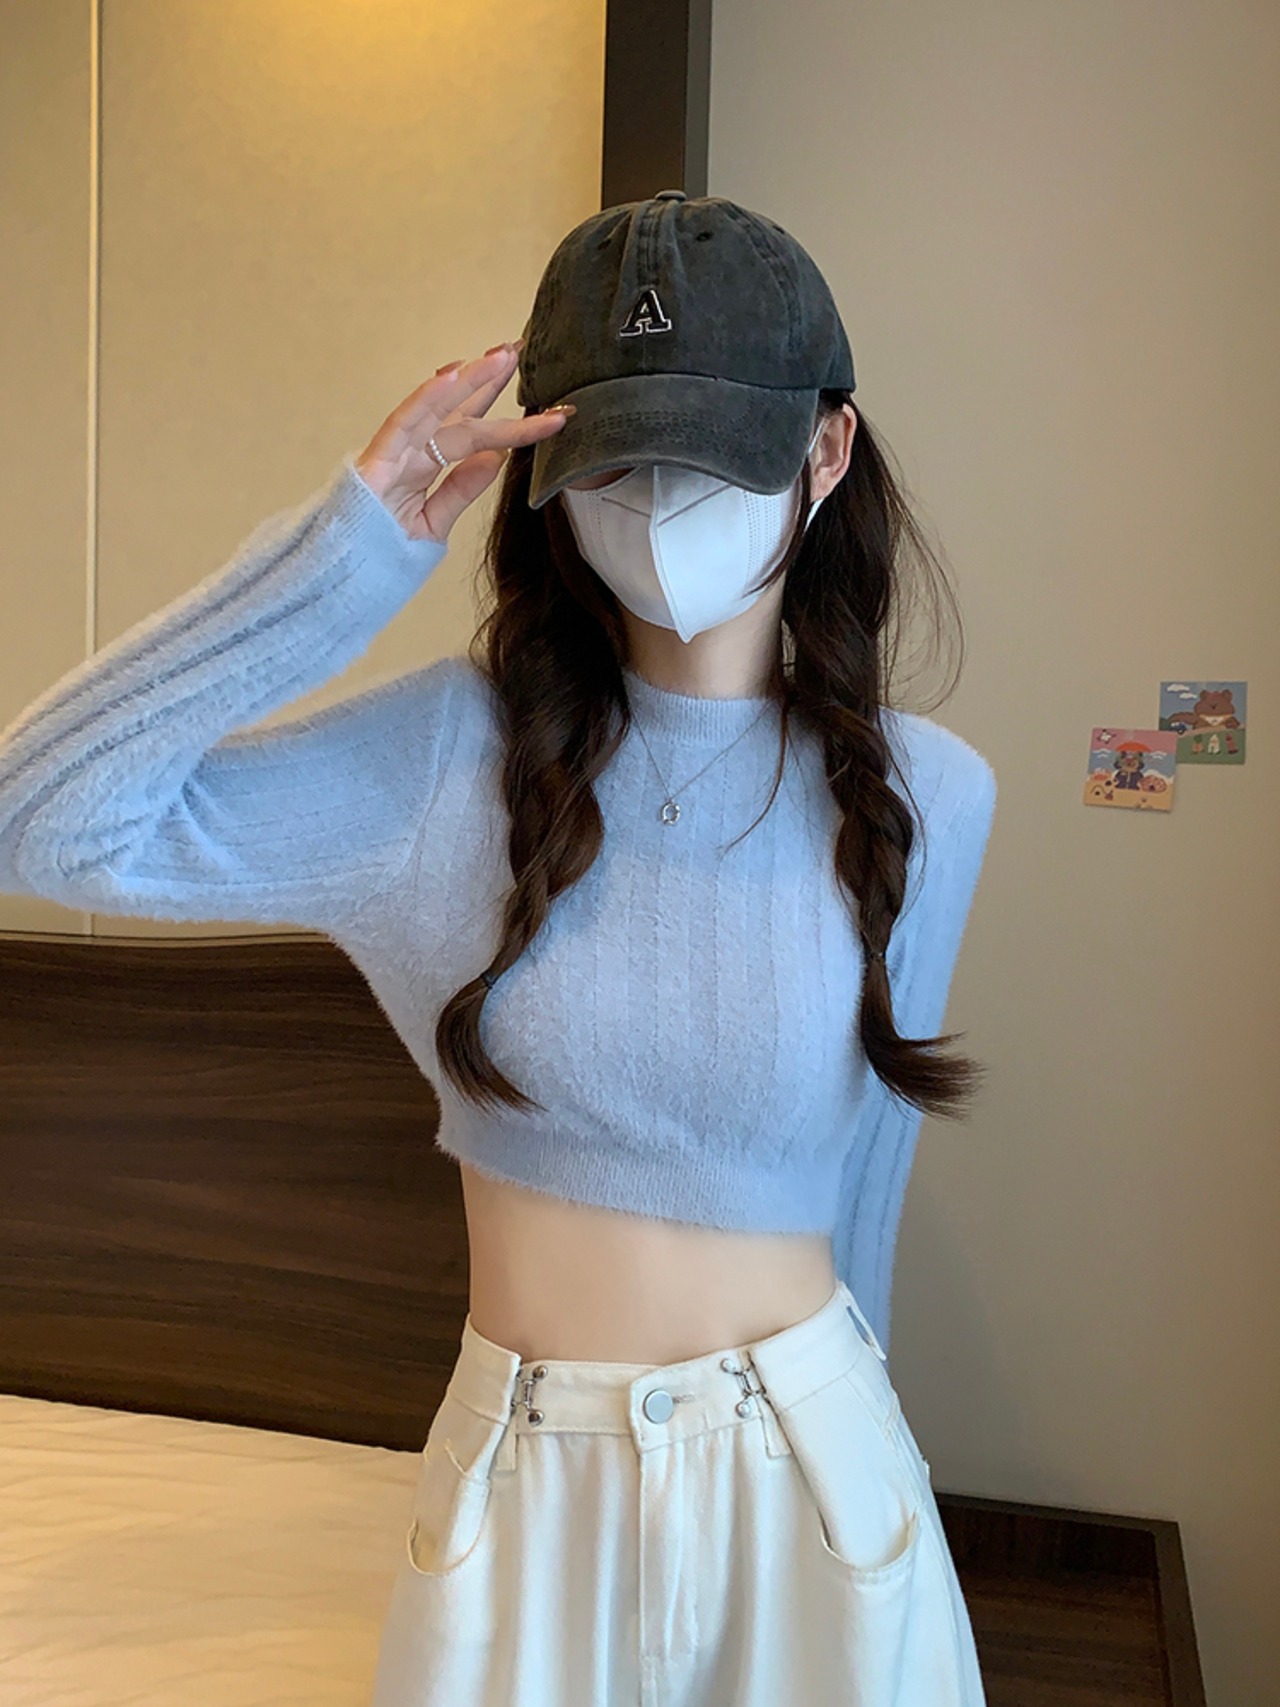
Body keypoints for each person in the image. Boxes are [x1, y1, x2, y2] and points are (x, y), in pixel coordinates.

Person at [0, 192, 996, 1704]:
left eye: (710, 453)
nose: (662, 504)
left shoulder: (927, 791)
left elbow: (866, 1191)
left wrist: (876, 1498)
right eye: (619, 459)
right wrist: (352, 549)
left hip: (818, 1480)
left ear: (826, 447)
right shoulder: (441, 766)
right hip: (525, 1492)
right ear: (549, 477)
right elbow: (42, 823)